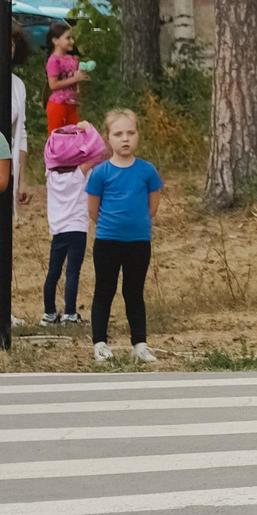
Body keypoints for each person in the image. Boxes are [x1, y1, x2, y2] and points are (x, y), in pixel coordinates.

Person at [86, 108, 164, 363]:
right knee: (104, 290)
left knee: (134, 292)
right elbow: (93, 210)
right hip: (108, 242)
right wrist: (112, 227)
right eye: (118, 133)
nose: (125, 138)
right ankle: (100, 343)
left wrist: (136, 225)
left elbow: (152, 207)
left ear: (137, 135)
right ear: (108, 138)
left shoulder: (147, 171)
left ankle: (139, 344)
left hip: (139, 242)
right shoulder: (100, 173)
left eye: (130, 132)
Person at [42, 121, 108, 326]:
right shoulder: (80, 174)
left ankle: (49, 314)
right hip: (77, 230)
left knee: (53, 272)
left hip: (58, 230)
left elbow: (49, 155)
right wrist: (88, 128)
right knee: (72, 271)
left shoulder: (50, 176)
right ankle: (70, 314)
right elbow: (100, 151)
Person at [43, 23, 87, 133]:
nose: (72, 41)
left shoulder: (72, 59)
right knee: (57, 136)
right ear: (55, 41)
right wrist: (75, 79)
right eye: (68, 38)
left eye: (72, 37)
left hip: (71, 104)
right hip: (58, 104)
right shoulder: (54, 61)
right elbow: (53, 84)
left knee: (74, 134)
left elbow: (76, 83)